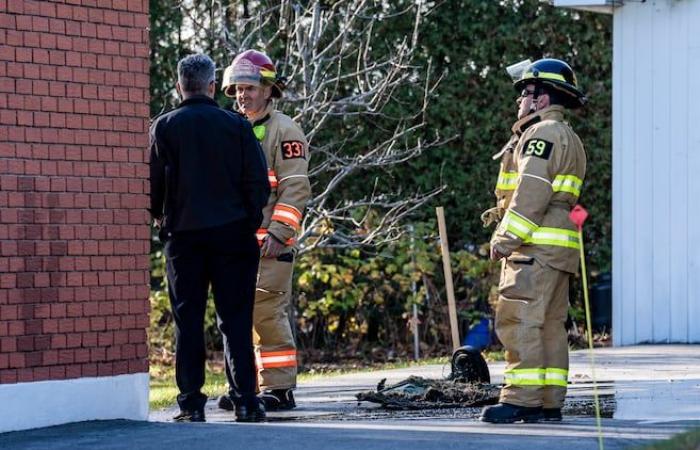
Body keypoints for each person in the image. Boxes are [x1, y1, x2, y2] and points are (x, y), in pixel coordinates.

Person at [149, 53, 270, 423]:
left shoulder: (164, 126)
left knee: (188, 322)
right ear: (213, 86)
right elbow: (258, 185)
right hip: (233, 236)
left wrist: (162, 218)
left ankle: (190, 404)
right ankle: (247, 400)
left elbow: (152, 188)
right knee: (235, 319)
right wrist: (246, 221)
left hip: (184, 238)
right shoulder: (236, 126)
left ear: (179, 85)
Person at [480, 58, 587, 424]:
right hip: (558, 250)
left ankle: (521, 400)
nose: (519, 102)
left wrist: (506, 238)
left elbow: (531, 192)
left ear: (542, 99)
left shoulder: (540, 135)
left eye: (525, 93)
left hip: (534, 249)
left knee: (520, 319)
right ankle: (548, 401)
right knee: (551, 325)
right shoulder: (568, 136)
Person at [217, 50, 311, 411]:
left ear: (269, 89)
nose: (243, 96)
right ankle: (246, 387)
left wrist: (278, 232)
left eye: (250, 88)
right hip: (236, 244)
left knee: (267, 314)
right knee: (238, 316)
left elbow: (296, 187)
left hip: (270, 245)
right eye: (238, 89)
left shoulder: (285, 131)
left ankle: (280, 389)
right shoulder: (231, 127)